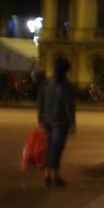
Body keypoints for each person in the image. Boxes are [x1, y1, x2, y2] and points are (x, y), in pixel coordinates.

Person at [37, 57, 76, 187]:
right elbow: (69, 106)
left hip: (47, 119)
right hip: (60, 121)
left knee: (49, 148)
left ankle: (47, 173)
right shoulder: (66, 85)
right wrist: (72, 123)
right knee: (56, 149)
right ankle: (54, 174)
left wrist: (40, 119)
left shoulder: (48, 83)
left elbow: (41, 102)